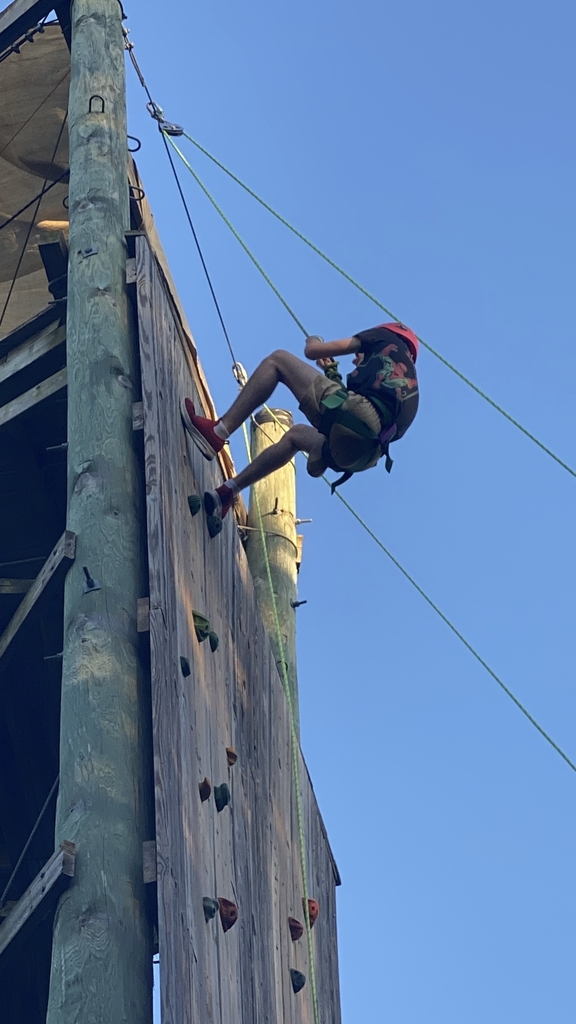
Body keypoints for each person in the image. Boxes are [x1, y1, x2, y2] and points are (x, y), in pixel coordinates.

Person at [181, 322, 419, 535]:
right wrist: (331, 372)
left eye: (358, 354)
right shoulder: (407, 390)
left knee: (278, 361)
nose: (356, 358)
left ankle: (217, 433)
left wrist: (314, 340)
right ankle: (227, 492)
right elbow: (349, 415)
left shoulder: (382, 338)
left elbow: (312, 352)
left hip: (356, 418)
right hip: (362, 455)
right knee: (296, 436)